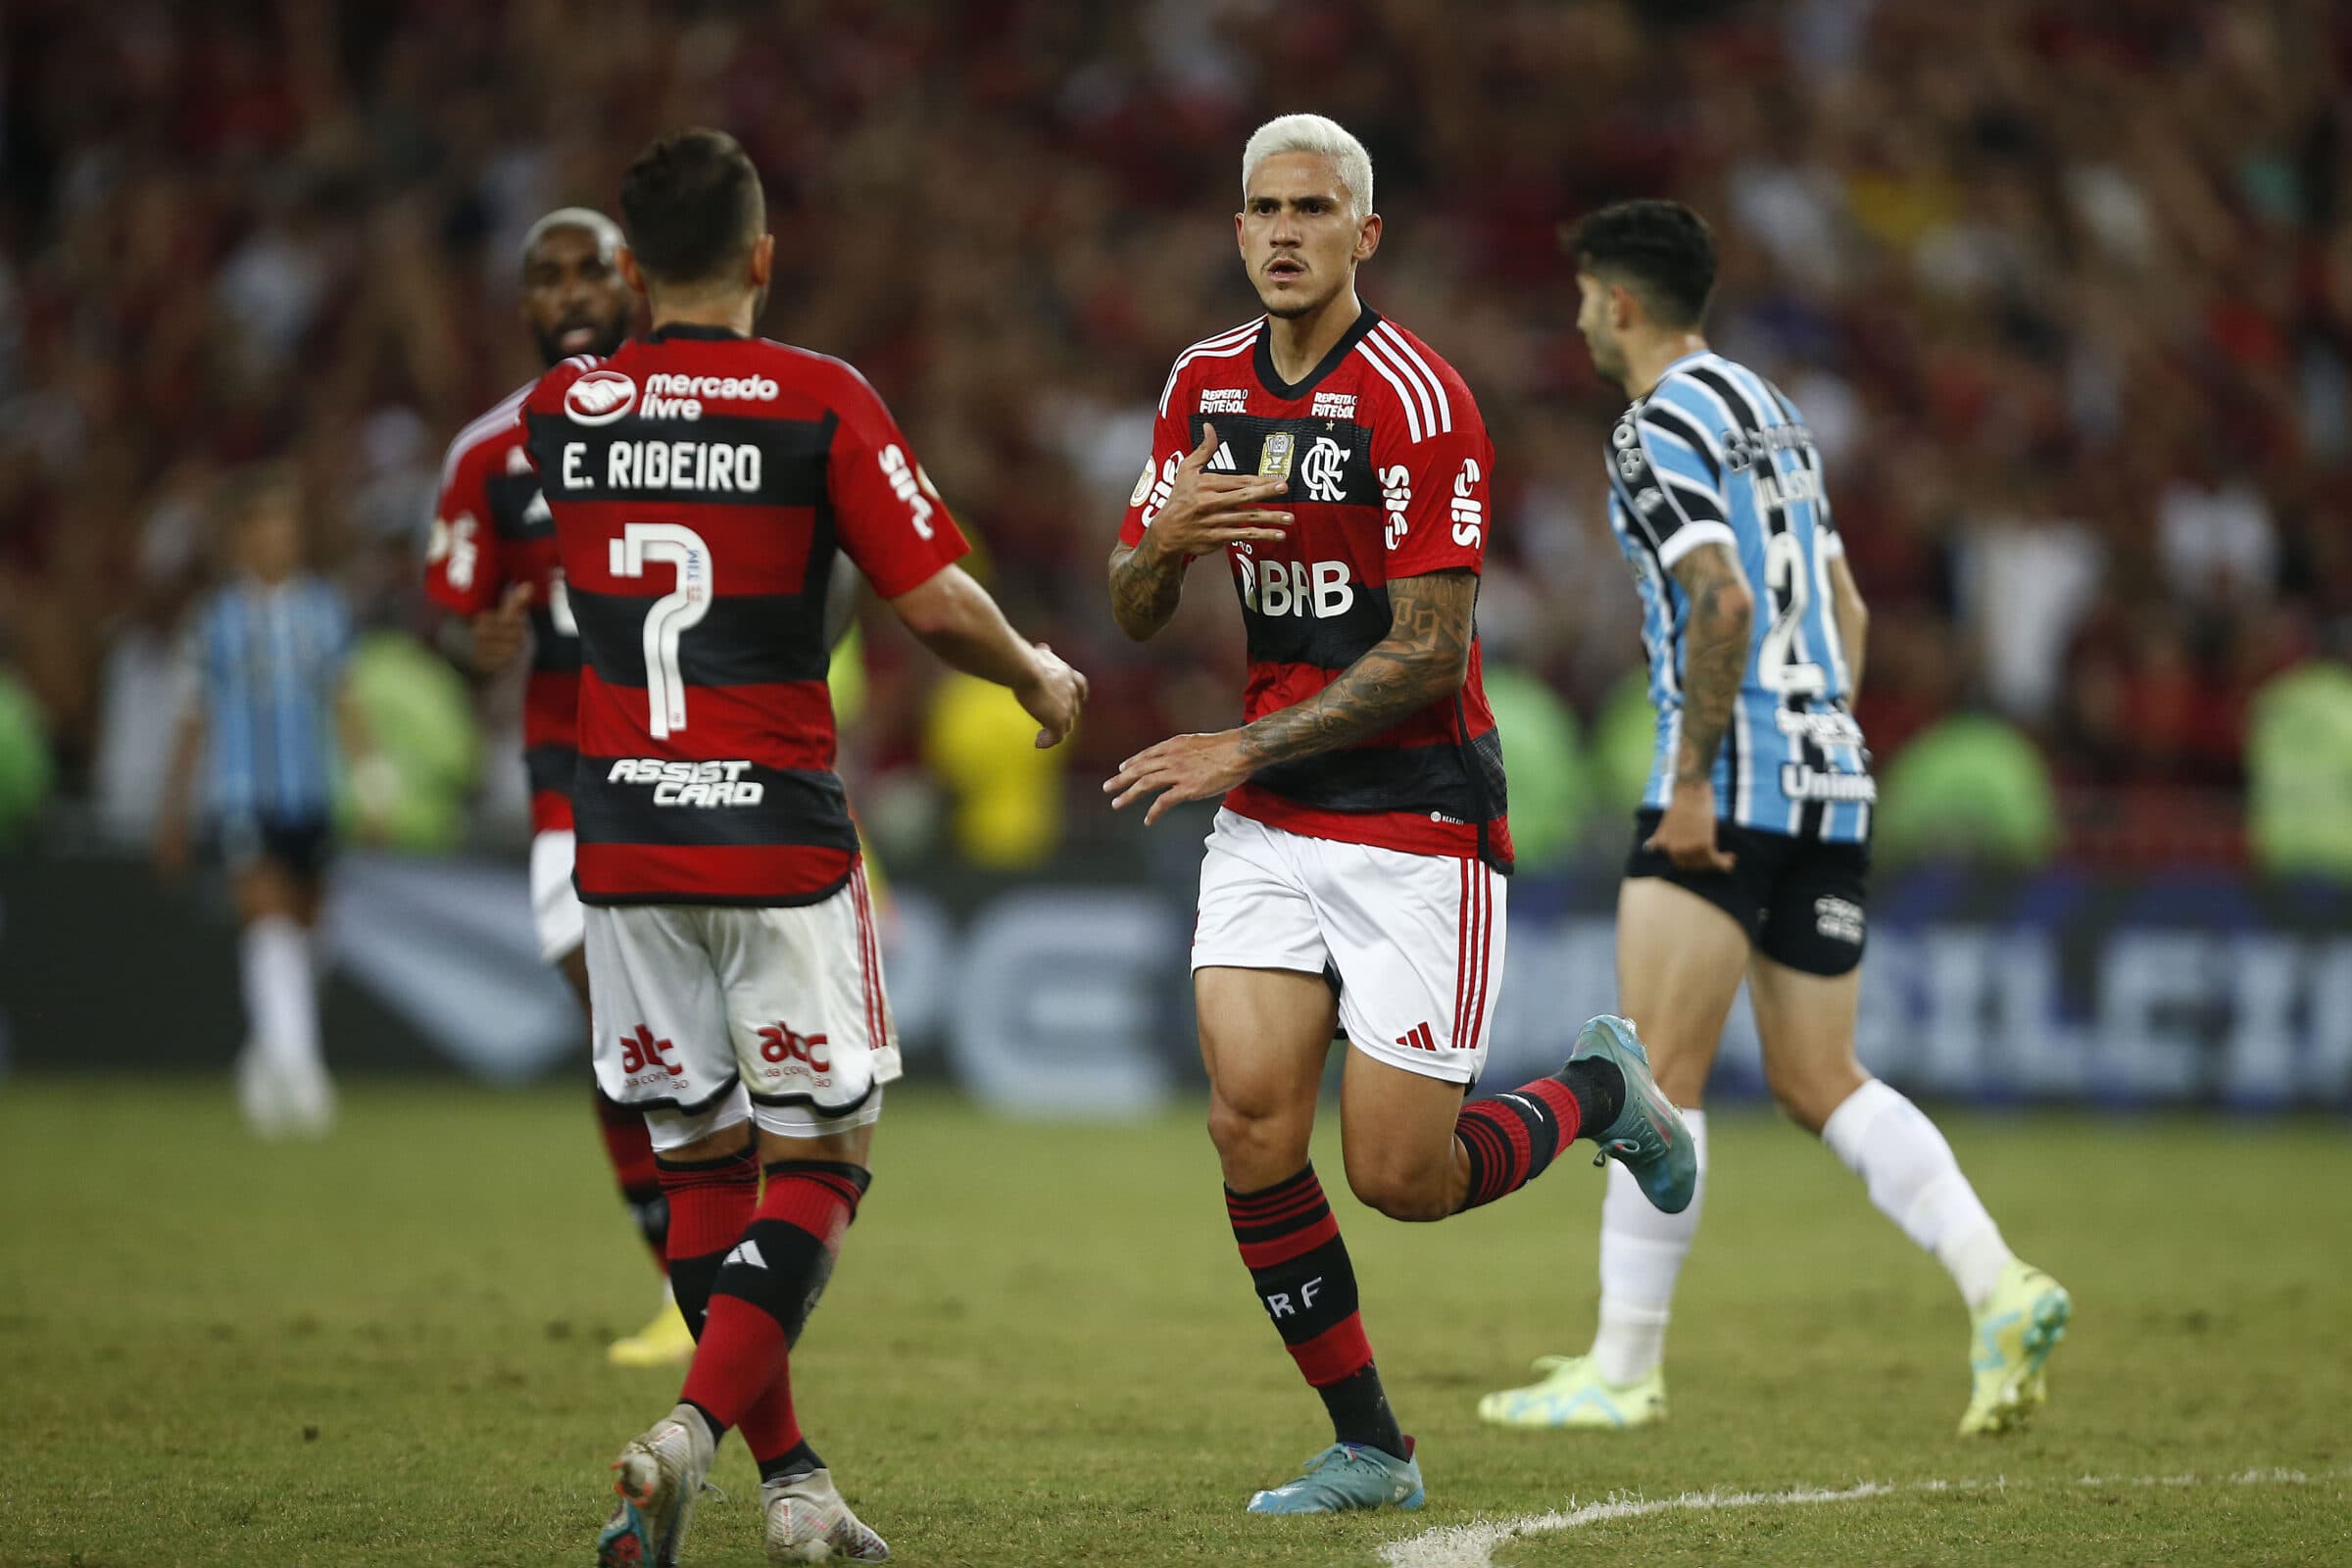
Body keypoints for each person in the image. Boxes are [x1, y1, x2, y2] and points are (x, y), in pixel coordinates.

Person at [1102, 114, 1694, 1516]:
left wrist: (1241, 741)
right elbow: (1136, 600)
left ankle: (1601, 1090)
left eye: (1316, 208)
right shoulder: (1198, 386)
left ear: (1365, 235)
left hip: (1419, 817)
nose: (1287, 231)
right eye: (1264, 208)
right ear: (1237, 230)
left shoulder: (1418, 403)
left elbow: (1430, 650)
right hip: (1270, 818)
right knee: (1250, 1126)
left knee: (1400, 1178)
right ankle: (1372, 1443)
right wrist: (1167, 545)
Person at [535, 128, 1086, 1567]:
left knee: (702, 1168)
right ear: (764, 258)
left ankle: (797, 1483)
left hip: (624, 841)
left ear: (636, 270)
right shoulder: (817, 399)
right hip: (773, 835)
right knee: (821, 1159)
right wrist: (1032, 669)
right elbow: (929, 596)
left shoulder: (562, 415)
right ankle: (690, 1439)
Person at [1477, 200, 2070, 1438]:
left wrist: (1694, 778)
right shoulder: (1770, 411)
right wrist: (1817, 739)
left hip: (1724, 785)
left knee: (1651, 1076)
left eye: (1587, 296)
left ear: (1623, 303)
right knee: (1820, 1076)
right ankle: (1999, 1283)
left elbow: (1723, 599)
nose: (1580, 318)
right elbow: (1843, 603)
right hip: (1826, 774)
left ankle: (1623, 1368)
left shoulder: (1651, 429)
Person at [425, 206, 704, 1369]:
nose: (575, 289)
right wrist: (470, 644)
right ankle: (686, 1283)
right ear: (525, 303)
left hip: (707, 760)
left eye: (596, 267)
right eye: (550, 275)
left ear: (633, 283)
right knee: (610, 1005)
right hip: (571, 774)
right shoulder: (489, 456)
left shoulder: (693, 410)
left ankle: (736, 1260)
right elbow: (453, 615)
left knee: (685, 1030)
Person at [156, 465, 385, 1137]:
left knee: (309, 935)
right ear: (241, 538)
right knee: (267, 921)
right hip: (242, 797)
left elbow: (347, 707)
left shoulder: (324, 613)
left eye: (287, 527)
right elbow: (191, 722)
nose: (278, 540)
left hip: (310, 795)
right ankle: (301, 1073)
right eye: (265, 527)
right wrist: (171, 812)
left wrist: (372, 788)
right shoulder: (213, 622)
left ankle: (265, 1057)